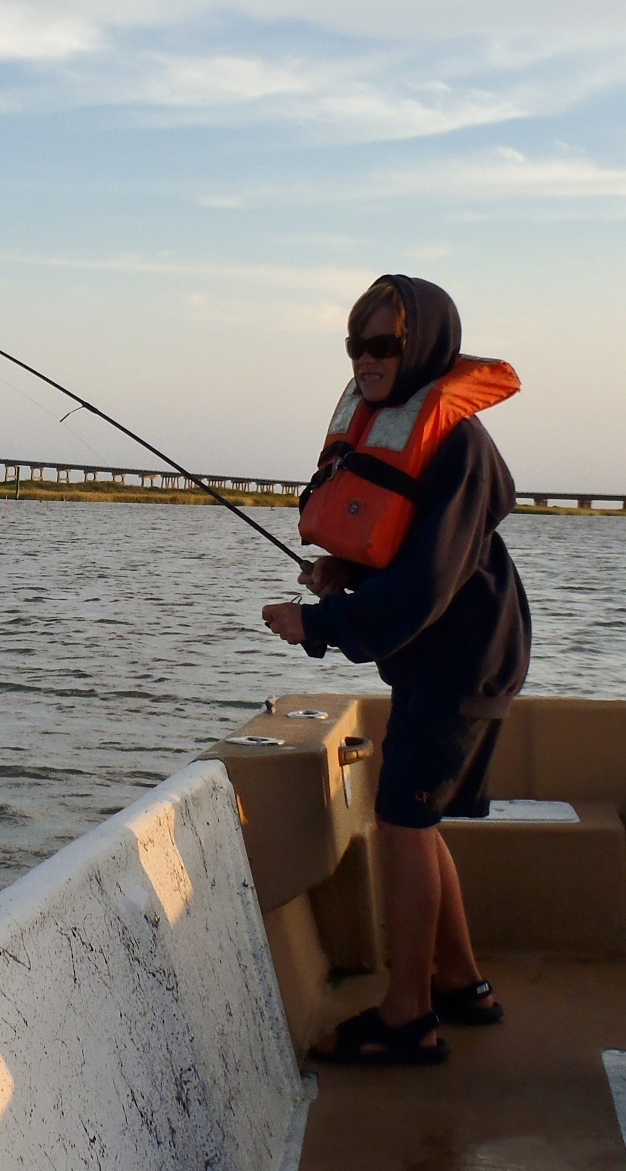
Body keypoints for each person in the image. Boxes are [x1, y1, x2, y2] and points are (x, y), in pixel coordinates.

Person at [262, 275, 530, 1066]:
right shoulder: (393, 427)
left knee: (403, 821)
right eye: (357, 345)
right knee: (417, 818)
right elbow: (403, 561)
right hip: (436, 656)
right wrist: (343, 576)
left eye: (385, 345)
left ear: (425, 348)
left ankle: (408, 1016)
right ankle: (459, 981)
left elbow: (427, 584)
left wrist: (318, 624)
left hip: (464, 659)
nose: (368, 361)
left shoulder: (456, 443)